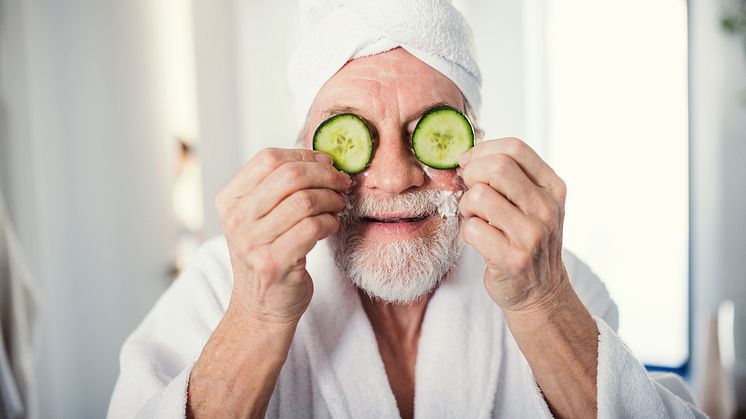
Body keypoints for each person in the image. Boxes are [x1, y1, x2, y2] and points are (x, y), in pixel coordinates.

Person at [108, 1, 705, 418]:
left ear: (476, 144)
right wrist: (258, 317)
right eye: (351, 138)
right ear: (301, 152)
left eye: (431, 134)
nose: (392, 177)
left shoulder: (553, 280)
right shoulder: (220, 287)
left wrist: (541, 303)